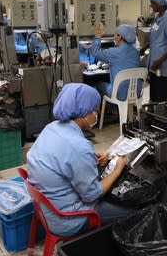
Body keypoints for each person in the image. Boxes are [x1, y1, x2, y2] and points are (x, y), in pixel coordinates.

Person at [27, 83, 134, 236]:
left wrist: (91, 161)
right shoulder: (79, 147)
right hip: (67, 220)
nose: (96, 114)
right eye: (95, 110)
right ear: (83, 112)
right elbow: (92, 195)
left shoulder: (51, 128)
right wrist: (117, 170)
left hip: (46, 208)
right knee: (133, 210)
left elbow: (65, 161)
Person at [90, 23, 141, 101]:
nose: (114, 36)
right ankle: (117, 110)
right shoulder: (136, 52)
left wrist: (97, 36)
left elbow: (95, 52)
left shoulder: (114, 52)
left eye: (115, 34)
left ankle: (110, 110)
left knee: (98, 84)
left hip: (119, 93)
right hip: (136, 92)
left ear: (119, 36)